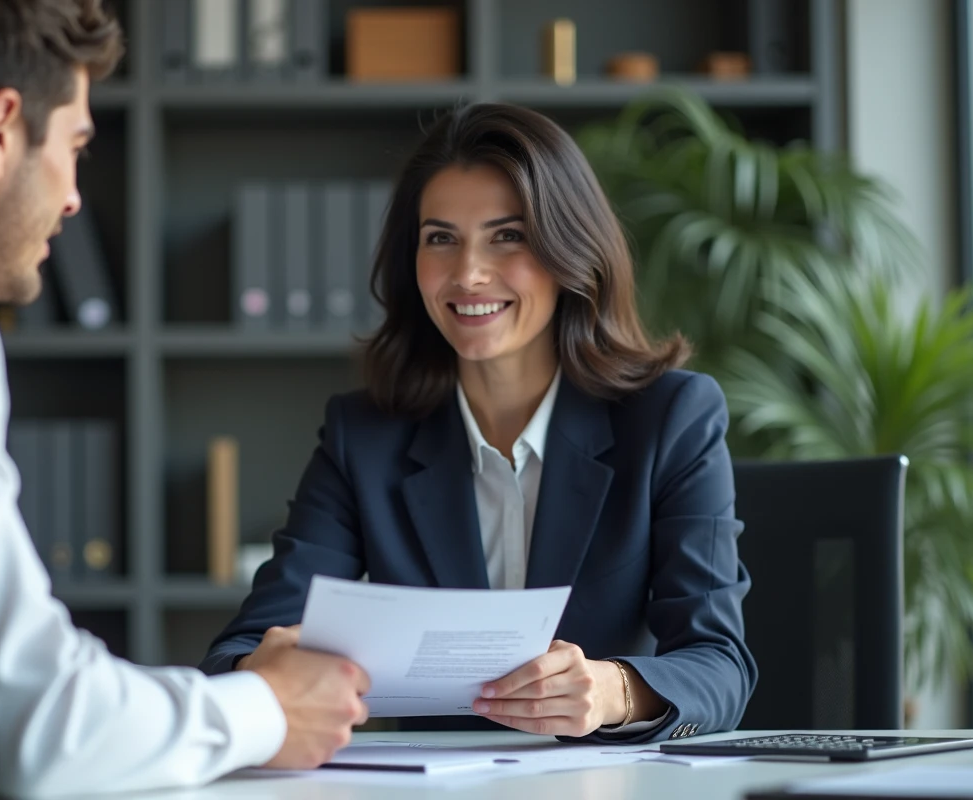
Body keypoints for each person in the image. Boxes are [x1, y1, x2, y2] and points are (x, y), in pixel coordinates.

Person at [0, 2, 369, 798]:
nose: (72, 197)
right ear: (0, 128)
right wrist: (267, 708)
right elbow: (30, 729)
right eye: (74, 146)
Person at [202, 103, 758, 743]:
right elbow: (241, 649)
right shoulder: (365, 437)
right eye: (440, 238)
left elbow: (721, 665)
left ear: (568, 251)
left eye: (508, 236)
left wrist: (613, 691)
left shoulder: (670, 418)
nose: (468, 274)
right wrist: (263, 674)